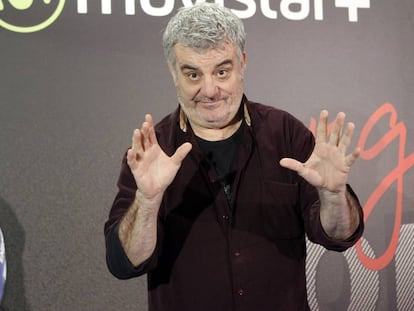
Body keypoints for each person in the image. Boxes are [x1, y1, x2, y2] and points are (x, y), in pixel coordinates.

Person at [104, 3, 364, 310]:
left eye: (222, 71)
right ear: (173, 71)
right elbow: (124, 262)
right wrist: (148, 202)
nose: (210, 90)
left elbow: (339, 236)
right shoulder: (152, 150)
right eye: (192, 74)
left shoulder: (286, 134)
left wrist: (333, 195)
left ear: (242, 63)